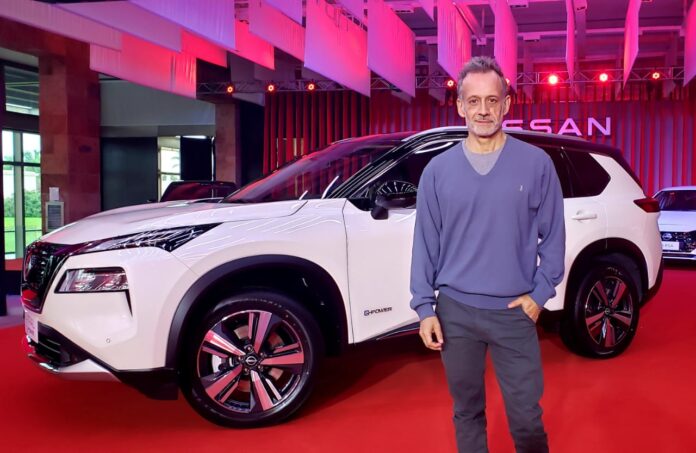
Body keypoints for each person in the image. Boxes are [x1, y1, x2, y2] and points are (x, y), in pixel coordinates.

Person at [409, 56, 565, 453]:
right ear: (460, 106)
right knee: (467, 412)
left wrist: (539, 295)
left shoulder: (537, 165)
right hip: (455, 313)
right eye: (474, 101)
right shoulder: (437, 171)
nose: (483, 110)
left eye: (492, 100)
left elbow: (554, 238)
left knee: (527, 418)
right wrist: (425, 308)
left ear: (506, 104)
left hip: (514, 312)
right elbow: (425, 243)